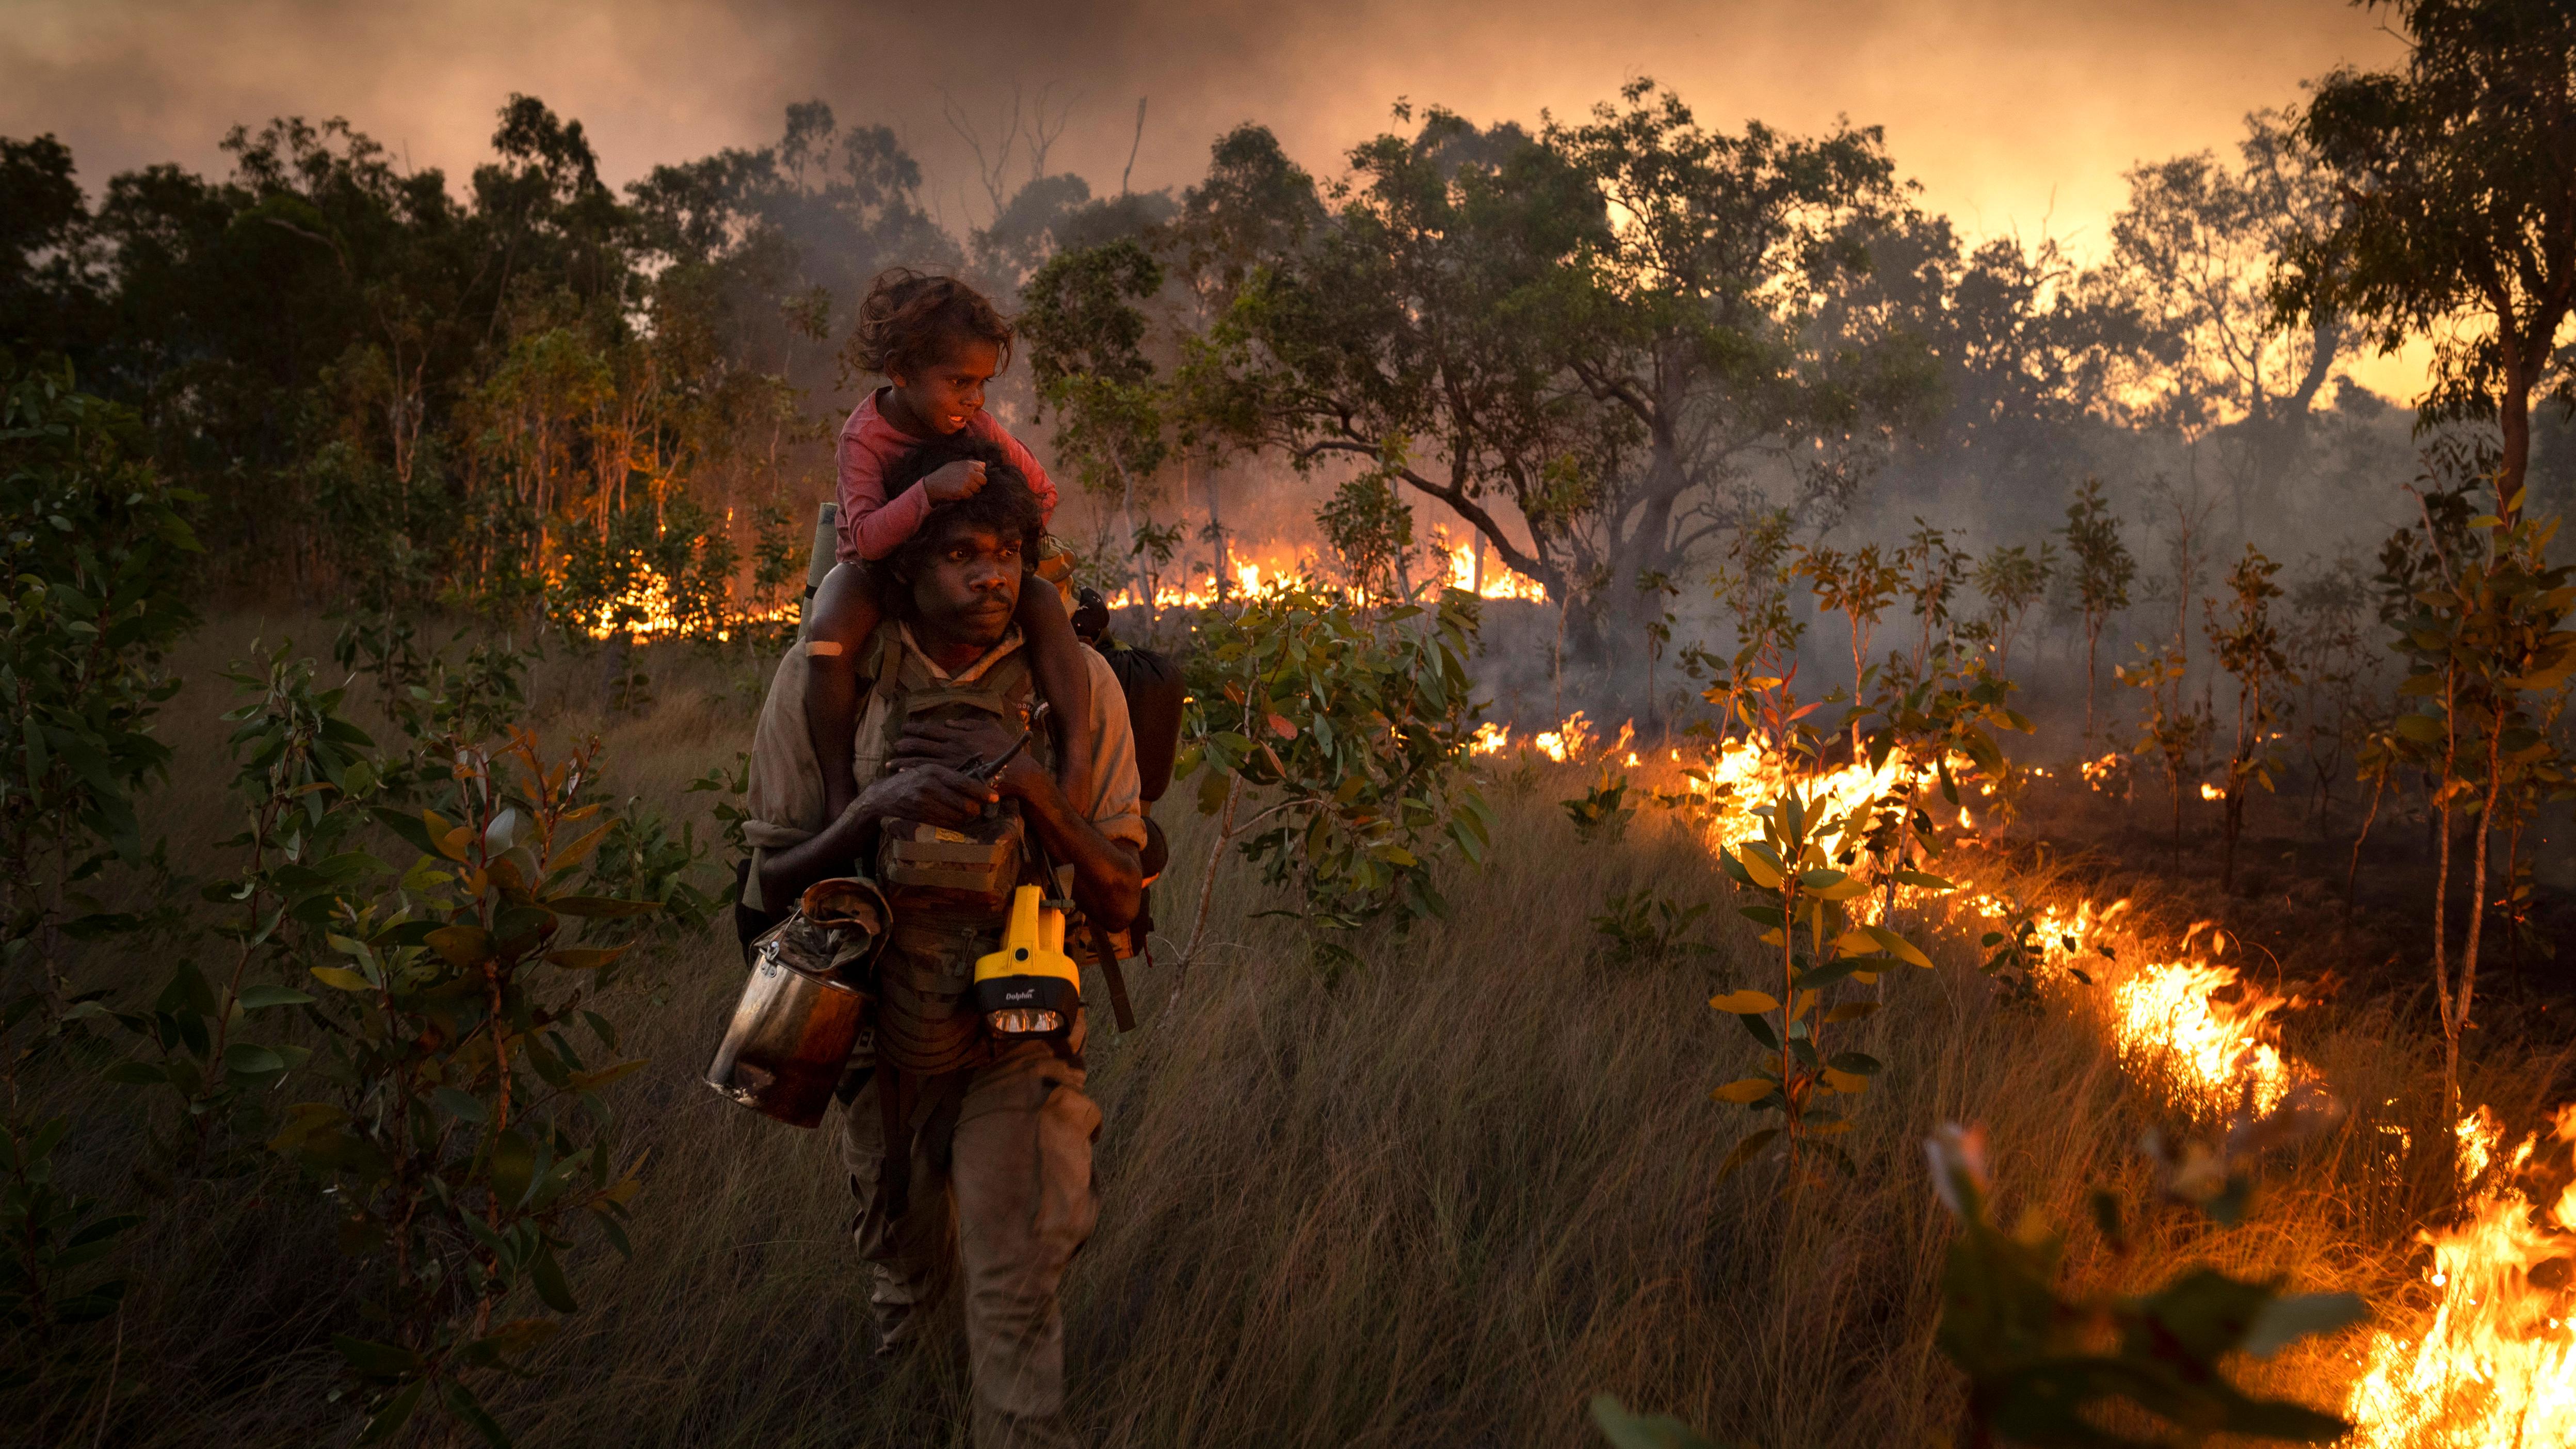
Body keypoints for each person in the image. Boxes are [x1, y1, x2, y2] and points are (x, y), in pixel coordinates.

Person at [743, 448, 1143, 1449]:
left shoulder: (1079, 684)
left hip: (1017, 1035)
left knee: (1014, 1295)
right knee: (910, 1294)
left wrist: (1036, 793)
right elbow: (773, 884)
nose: (991, 577)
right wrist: (873, 808)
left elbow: (1125, 900)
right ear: (904, 570)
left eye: (1007, 554)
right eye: (961, 554)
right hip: (876, 1033)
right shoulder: (831, 679)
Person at [805, 268, 1096, 825]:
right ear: (901, 372)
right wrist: (929, 493)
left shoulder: (978, 424)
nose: (974, 397)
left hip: (952, 569)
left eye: (982, 383)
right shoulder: (865, 436)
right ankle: (839, 787)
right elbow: (865, 538)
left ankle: (1075, 771)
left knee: (1042, 604)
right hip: (878, 572)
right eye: (959, 382)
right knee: (829, 628)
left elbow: (1042, 491)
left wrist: (994, 520)